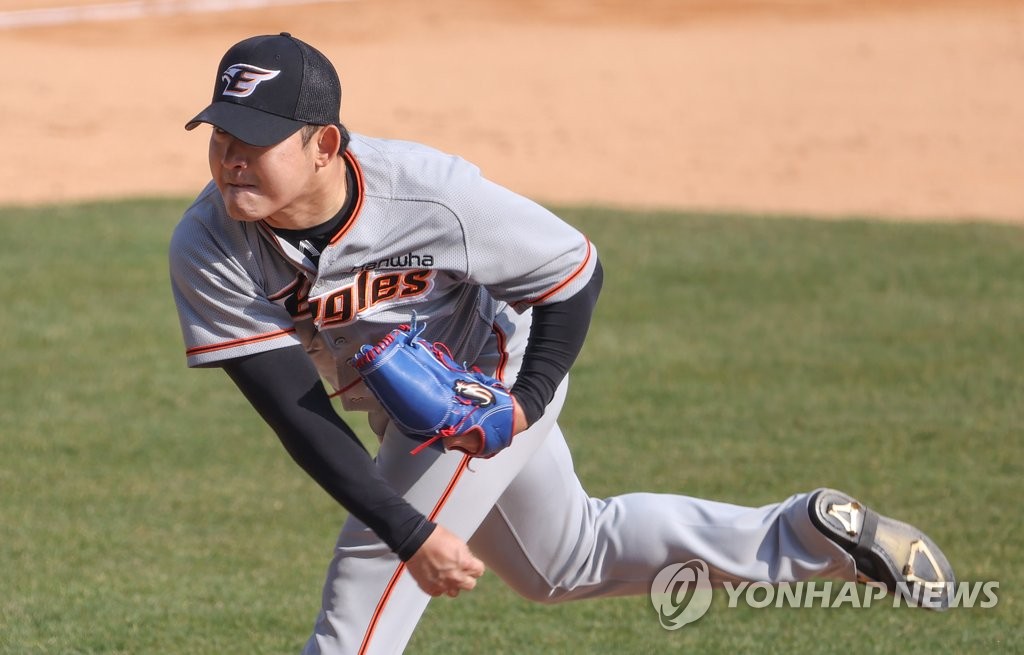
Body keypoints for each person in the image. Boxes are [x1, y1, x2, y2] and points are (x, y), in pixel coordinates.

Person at [169, 33, 956, 654]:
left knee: (362, 597)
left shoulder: (429, 194)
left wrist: (523, 404)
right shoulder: (209, 243)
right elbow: (296, 412)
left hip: (488, 381)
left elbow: (573, 272)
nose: (230, 157)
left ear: (325, 145)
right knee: (566, 561)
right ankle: (809, 535)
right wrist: (415, 529)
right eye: (221, 135)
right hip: (403, 407)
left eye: (254, 140)